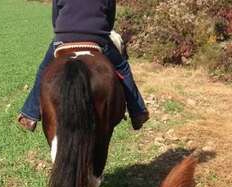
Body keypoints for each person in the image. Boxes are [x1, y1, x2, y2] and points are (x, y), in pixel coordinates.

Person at [18, 0, 149, 132]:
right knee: (123, 67)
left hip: (64, 38)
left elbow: (55, 18)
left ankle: (30, 114)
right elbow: (109, 20)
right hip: (97, 38)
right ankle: (138, 112)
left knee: (43, 69)